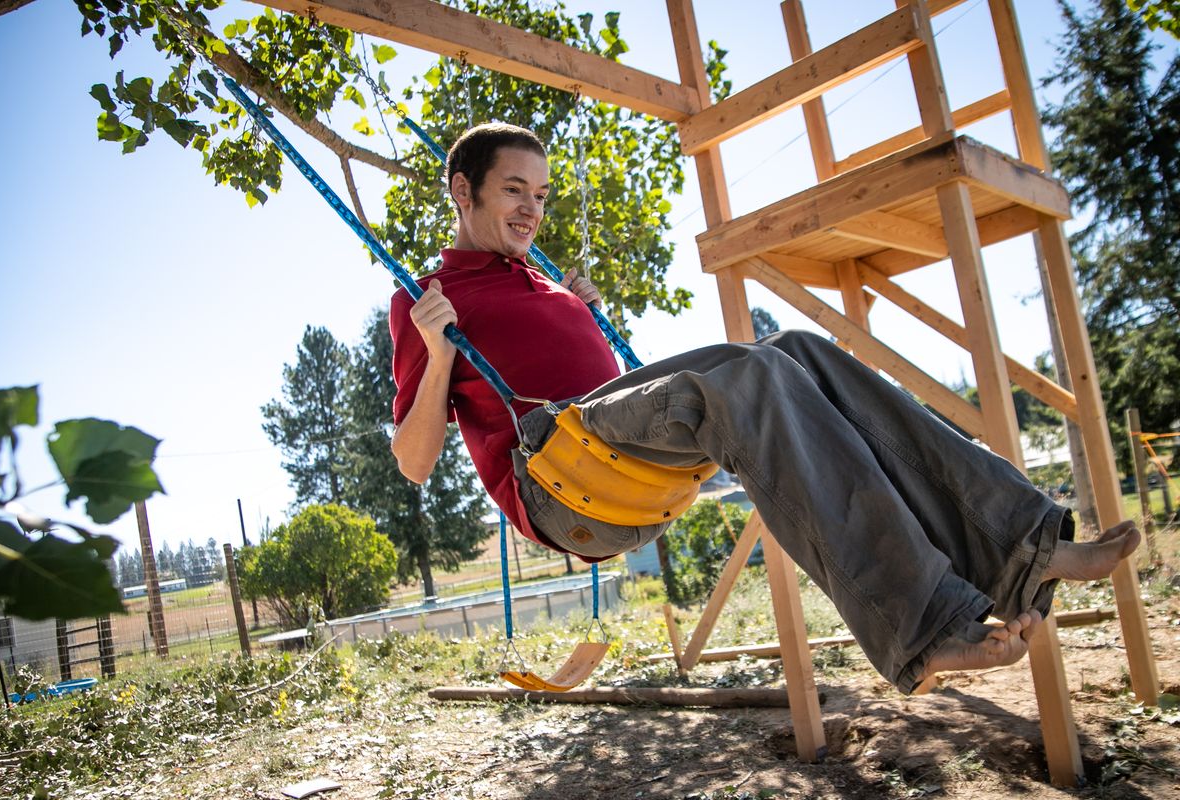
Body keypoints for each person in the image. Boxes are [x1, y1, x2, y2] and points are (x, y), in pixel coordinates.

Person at [389, 123, 1140, 694]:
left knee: (794, 351)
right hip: (557, 483)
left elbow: (625, 396)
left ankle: (1027, 546)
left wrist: (587, 316)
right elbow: (414, 462)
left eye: (541, 195)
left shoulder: (550, 284)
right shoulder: (428, 301)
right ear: (464, 190)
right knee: (751, 373)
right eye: (516, 189)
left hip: (614, 450)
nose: (532, 210)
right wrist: (442, 353)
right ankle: (925, 625)